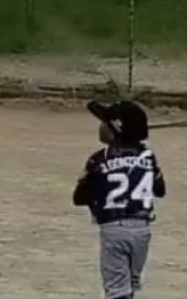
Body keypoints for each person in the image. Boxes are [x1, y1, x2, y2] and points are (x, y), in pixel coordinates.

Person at [72, 100, 167, 299]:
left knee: (116, 289)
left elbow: (79, 197)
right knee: (131, 285)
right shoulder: (148, 157)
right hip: (142, 228)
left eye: (104, 122)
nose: (100, 126)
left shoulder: (99, 159)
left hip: (113, 228)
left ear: (114, 130)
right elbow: (160, 190)